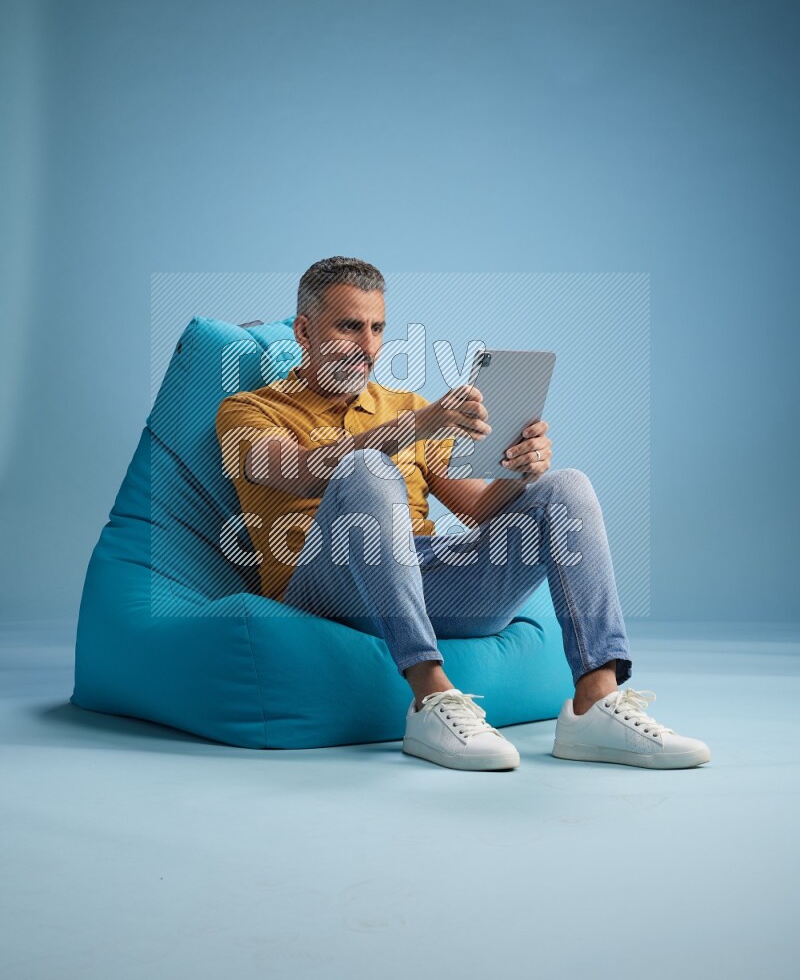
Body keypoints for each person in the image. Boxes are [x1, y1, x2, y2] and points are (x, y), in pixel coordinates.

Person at [215, 256, 711, 772]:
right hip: (323, 584)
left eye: (377, 328)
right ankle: (431, 698)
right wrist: (415, 426)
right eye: (349, 327)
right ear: (304, 330)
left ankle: (596, 702)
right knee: (366, 467)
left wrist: (521, 470)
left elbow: (478, 508)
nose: (367, 347)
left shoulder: (403, 403)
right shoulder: (248, 410)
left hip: (423, 576)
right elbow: (299, 469)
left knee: (565, 486)